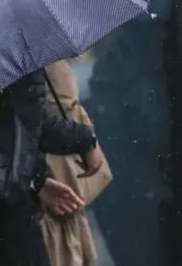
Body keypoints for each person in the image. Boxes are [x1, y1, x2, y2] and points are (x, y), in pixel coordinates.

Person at [0, 69, 106, 266]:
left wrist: (37, 181)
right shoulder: (12, 59)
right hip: (5, 218)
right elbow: (33, 127)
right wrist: (86, 140)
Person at [39, 60, 112, 266]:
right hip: (50, 175)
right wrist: (85, 140)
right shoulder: (37, 53)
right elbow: (60, 105)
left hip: (39, 177)